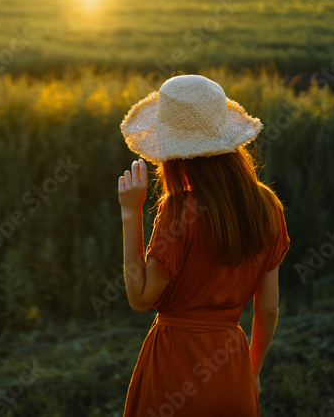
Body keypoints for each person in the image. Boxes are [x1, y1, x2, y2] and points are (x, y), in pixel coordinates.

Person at [116, 74, 289, 416]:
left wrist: (130, 212)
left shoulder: (180, 210)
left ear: (173, 152)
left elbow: (140, 297)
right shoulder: (268, 206)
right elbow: (268, 310)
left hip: (174, 371)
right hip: (232, 368)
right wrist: (251, 373)